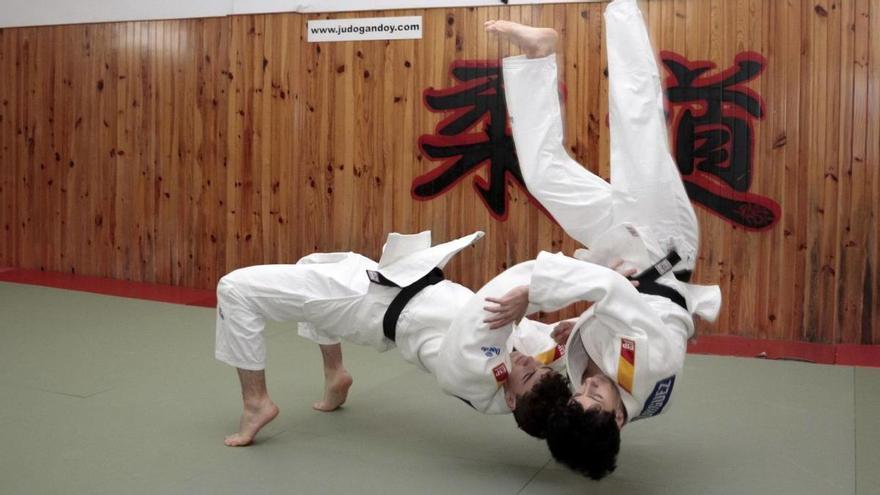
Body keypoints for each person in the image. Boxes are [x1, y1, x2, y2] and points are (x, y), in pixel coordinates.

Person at [484, 0, 722, 479]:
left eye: (579, 392)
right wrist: (534, 293)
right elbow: (615, 293)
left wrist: (584, 326)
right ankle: (623, 8)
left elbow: (617, 309)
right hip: (662, 244)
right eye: (594, 395)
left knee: (545, 177)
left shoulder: (610, 384)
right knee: (637, 126)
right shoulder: (651, 370)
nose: (587, 385)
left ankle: (537, 56)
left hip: (628, 255)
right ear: (618, 417)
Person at [214, 230, 573, 447]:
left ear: (510, 399)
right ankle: (335, 373)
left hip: (364, 303)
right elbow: (554, 351)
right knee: (310, 265)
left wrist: (554, 286)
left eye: (528, 373)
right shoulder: (524, 370)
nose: (529, 361)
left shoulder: (478, 373)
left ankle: (256, 402)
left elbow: (496, 305)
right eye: (538, 367)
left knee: (234, 289)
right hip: (398, 281)